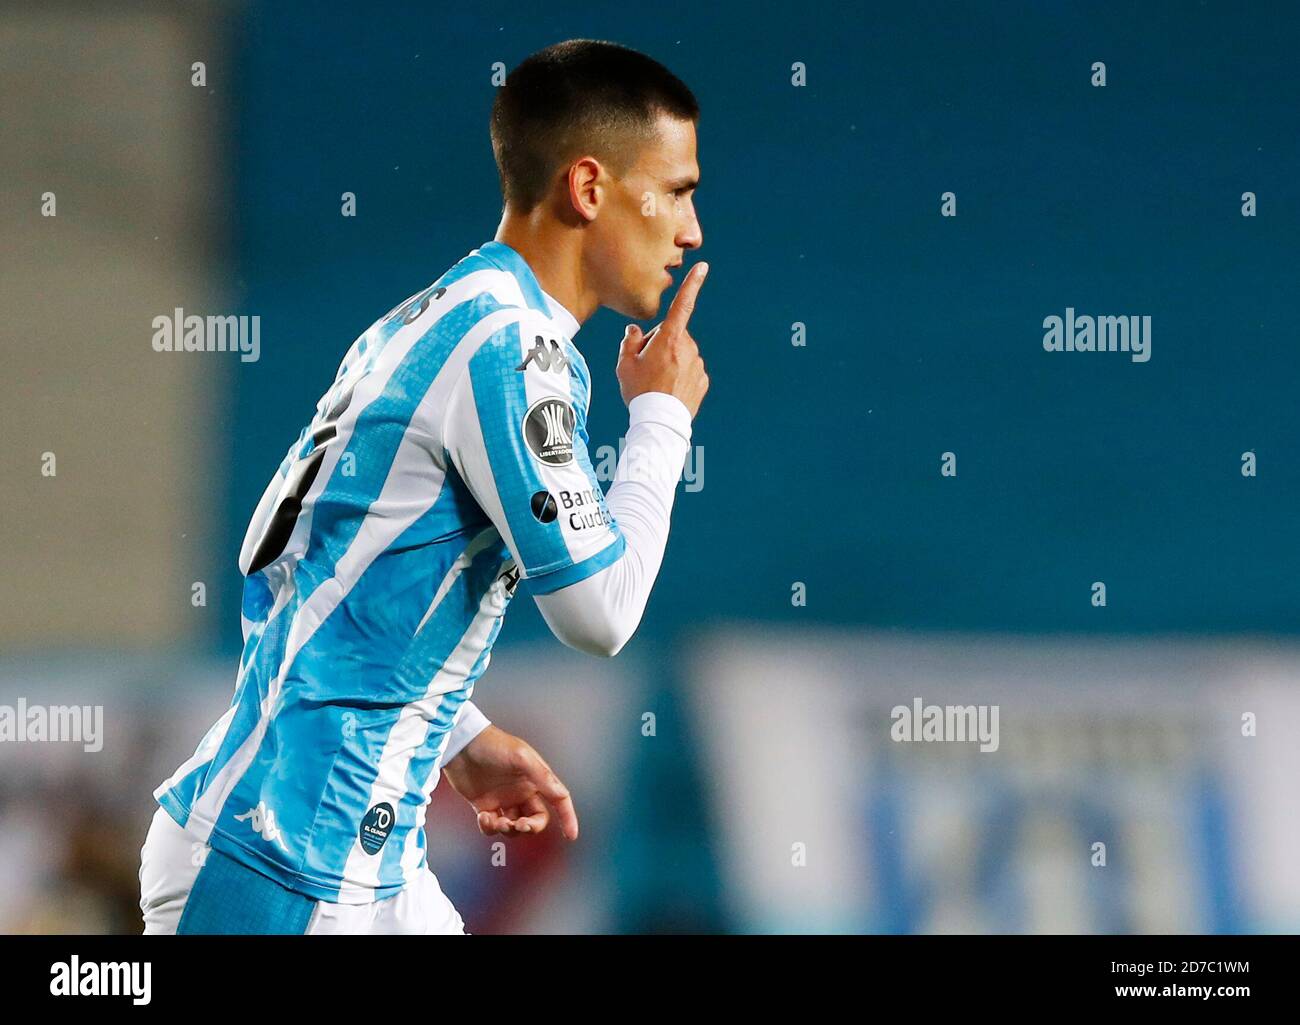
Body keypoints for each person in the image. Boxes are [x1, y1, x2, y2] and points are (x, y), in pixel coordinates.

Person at [139, 38, 707, 934]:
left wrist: (454, 732)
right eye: (677, 190)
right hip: (283, 863)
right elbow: (599, 612)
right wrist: (663, 419)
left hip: (362, 862)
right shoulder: (508, 349)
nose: (691, 229)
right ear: (590, 188)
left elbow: (323, 580)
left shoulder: (434, 318)